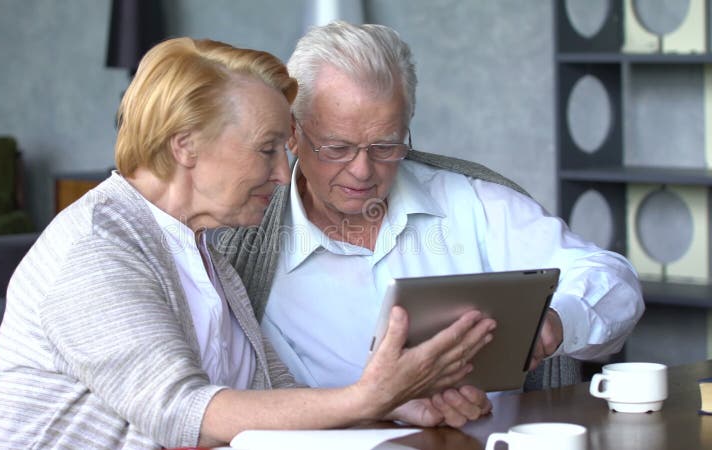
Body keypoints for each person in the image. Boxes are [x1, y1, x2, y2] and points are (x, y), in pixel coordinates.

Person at [0, 37, 496, 449]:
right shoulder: (95, 252)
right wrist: (367, 396)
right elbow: (188, 416)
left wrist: (395, 403)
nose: (282, 172)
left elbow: (273, 392)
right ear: (186, 145)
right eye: (268, 149)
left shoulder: (200, 251)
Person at [217, 21, 645, 425]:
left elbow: (615, 281)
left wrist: (553, 322)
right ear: (292, 133)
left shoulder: (469, 201)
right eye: (337, 148)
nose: (363, 171)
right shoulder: (241, 251)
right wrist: (377, 405)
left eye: (385, 146)